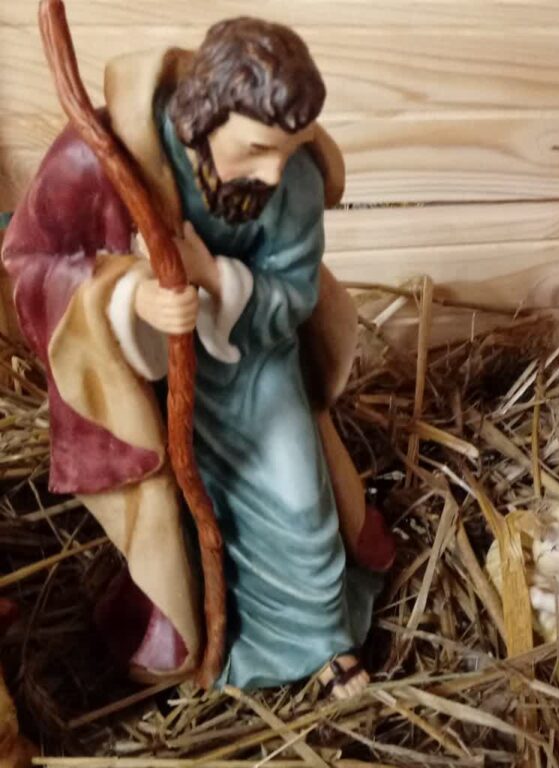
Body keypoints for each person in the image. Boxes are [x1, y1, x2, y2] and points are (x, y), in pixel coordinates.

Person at [1, 17, 395, 698]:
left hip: (255, 365)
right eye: (257, 149)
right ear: (205, 117)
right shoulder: (111, 154)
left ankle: (318, 643)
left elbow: (295, 293)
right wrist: (129, 298)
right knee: (173, 521)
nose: (275, 171)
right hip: (145, 383)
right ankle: (195, 643)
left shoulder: (293, 178)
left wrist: (215, 279)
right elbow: (32, 263)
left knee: (299, 501)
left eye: (289, 150)